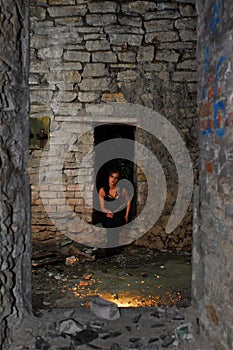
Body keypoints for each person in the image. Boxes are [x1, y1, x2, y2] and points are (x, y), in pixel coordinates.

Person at [98, 168, 131, 247]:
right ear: (108, 177)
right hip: (106, 213)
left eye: (116, 177)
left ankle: (112, 245)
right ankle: (111, 246)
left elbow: (128, 201)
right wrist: (108, 212)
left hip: (118, 214)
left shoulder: (122, 190)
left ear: (118, 180)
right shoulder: (102, 190)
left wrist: (126, 216)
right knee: (109, 221)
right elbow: (102, 207)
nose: (113, 179)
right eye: (112, 176)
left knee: (116, 221)